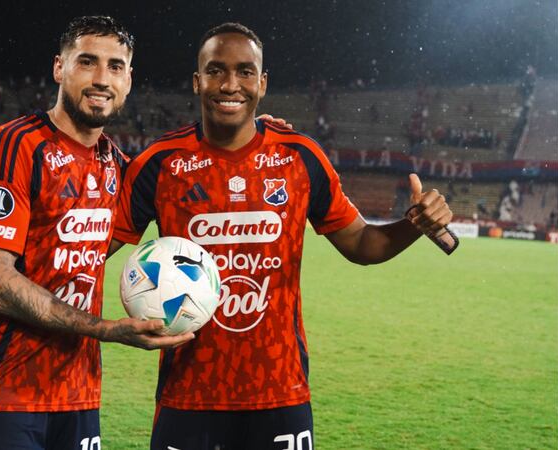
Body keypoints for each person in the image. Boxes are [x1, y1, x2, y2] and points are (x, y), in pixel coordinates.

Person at [111, 23, 453, 450]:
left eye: (245, 72)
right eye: (216, 71)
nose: (230, 85)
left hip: (279, 391)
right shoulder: (159, 163)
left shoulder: (299, 157)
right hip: (189, 395)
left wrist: (413, 226)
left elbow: (362, 245)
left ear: (263, 82)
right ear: (197, 81)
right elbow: (93, 246)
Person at [0, 16, 193, 450]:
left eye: (116, 67)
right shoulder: (14, 146)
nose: (102, 78)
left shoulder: (120, 167)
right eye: (88, 62)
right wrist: (104, 329)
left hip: (79, 395)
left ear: (129, 79)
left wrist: (257, 129)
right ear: (59, 68)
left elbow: (95, 242)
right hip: (2, 391)